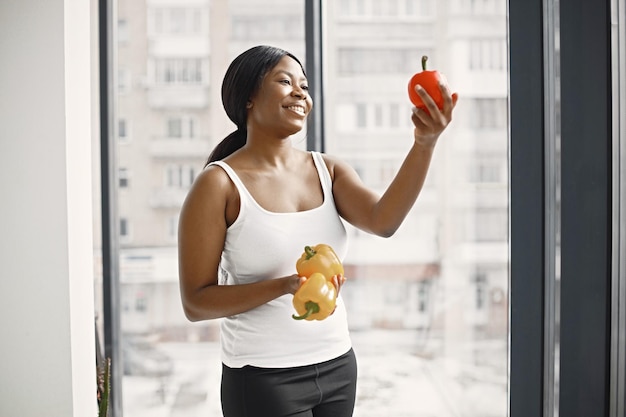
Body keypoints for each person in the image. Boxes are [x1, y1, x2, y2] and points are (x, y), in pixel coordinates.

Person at [177, 45, 457, 417]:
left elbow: (383, 221)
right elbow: (196, 302)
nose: (300, 93)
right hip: (263, 376)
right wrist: (284, 286)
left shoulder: (329, 170)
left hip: (338, 364)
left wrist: (425, 143)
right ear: (247, 98)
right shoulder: (218, 184)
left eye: (304, 86)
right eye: (284, 81)